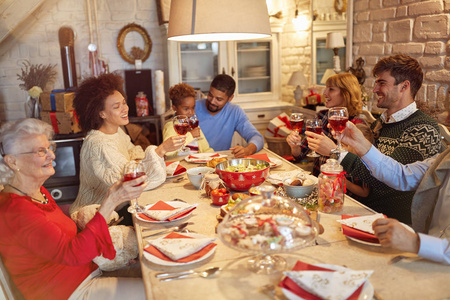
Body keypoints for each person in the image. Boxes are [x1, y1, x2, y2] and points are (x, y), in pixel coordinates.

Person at [0, 118, 147, 299]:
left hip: (86, 273)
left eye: (49, 148)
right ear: (13, 162)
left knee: (159, 268)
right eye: (40, 151)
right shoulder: (17, 211)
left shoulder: (34, 192)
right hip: (70, 292)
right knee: (160, 291)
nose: (52, 156)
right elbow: (73, 254)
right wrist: (110, 200)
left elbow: (54, 232)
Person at [307, 55, 444, 224]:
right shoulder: (381, 122)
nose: (374, 89)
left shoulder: (423, 129)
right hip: (362, 210)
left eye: (382, 83)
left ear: (404, 86)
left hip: (393, 222)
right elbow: (366, 172)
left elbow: (389, 181)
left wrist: (335, 153)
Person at [70, 73, 185, 221]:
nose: (125, 109)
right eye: (117, 106)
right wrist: (160, 150)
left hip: (121, 207)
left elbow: (133, 156)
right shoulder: (98, 145)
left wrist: (148, 159)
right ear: (102, 113)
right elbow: (129, 183)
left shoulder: (116, 130)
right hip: (98, 217)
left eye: (124, 103)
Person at [334, 121, 449, 265]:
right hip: (428, 258)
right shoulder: (445, 158)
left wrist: (415, 242)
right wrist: (361, 145)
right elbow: (402, 175)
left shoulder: (422, 126)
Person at [287, 73, 367, 177]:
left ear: (346, 93)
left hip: (343, 188)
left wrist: (333, 151)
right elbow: (300, 155)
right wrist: (294, 146)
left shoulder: (357, 126)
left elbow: (360, 172)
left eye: (331, 89)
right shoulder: (322, 116)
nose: (324, 93)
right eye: (326, 88)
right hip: (320, 182)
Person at [195, 74, 264, 158]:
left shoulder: (235, 112)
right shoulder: (192, 108)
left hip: (220, 161)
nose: (212, 101)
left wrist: (247, 150)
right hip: (193, 160)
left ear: (230, 98)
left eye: (219, 99)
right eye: (210, 95)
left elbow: (257, 137)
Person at [163, 83, 214, 156]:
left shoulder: (193, 125)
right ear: (174, 108)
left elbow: (206, 149)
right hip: (179, 165)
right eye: (186, 109)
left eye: (193, 108)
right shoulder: (171, 126)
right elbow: (167, 152)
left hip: (196, 165)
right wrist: (190, 135)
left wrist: (213, 156)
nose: (191, 112)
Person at [342, 123, 374, 199]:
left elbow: (364, 193)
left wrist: (345, 182)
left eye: (345, 145)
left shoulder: (364, 165)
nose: (343, 148)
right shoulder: (347, 157)